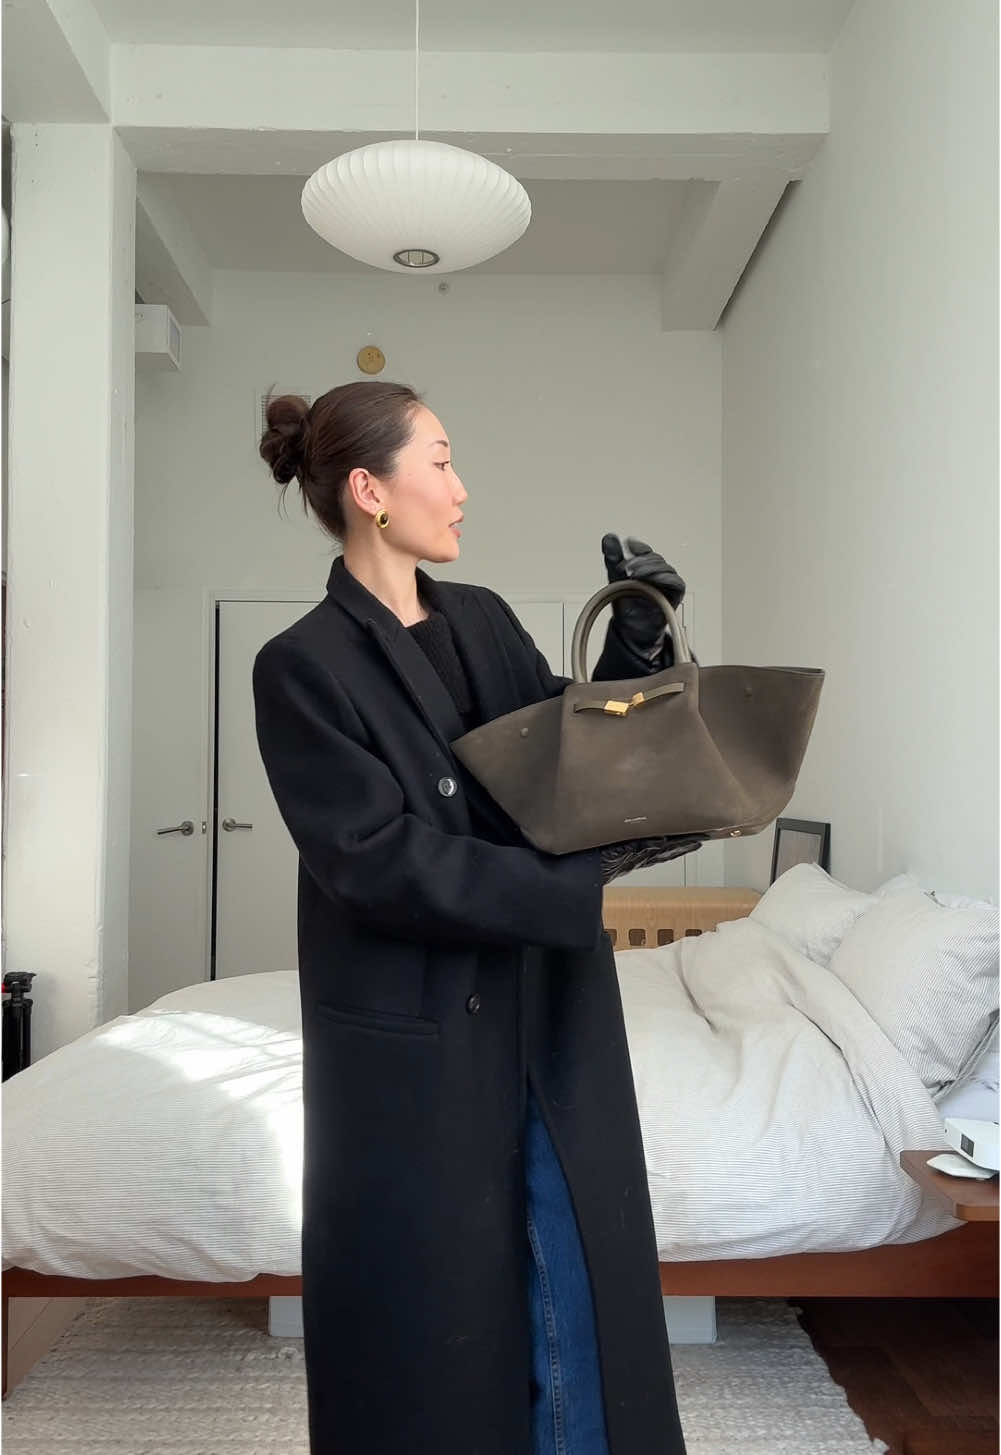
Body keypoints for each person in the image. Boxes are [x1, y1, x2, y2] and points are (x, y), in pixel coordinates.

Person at [252, 380, 696, 1455]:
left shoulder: (485, 620)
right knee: (436, 1319)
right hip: (415, 1030)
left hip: (544, 1002)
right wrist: (569, 890)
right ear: (370, 490)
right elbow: (373, 860)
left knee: (572, 1262)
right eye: (442, 462)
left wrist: (637, 643)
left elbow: (567, 758)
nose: (461, 489)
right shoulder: (301, 665)